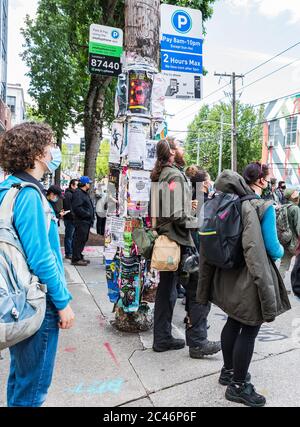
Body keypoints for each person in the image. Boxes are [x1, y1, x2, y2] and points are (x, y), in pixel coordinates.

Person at [197, 162, 291, 407]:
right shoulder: (262, 206)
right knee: (249, 329)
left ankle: (228, 372)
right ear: (260, 181)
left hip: (228, 275)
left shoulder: (229, 202)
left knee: (233, 321)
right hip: (250, 278)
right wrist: (283, 249)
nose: (269, 184)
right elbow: (271, 247)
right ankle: (238, 386)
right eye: (268, 180)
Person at [0, 122, 74, 407]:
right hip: (35, 300)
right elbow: (42, 257)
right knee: (33, 390)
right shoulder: (29, 195)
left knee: (20, 378)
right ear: (37, 153)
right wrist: (63, 302)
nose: (53, 150)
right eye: (50, 144)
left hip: (16, 298)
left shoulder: (9, 189)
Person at [150, 138, 221, 358]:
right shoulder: (173, 175)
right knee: (199, 287)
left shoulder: (163, 173)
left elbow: (164, 208)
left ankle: (162, 338)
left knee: (167, 290)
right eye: (180, 147)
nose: (183, 150)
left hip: (168, 240)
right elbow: (177, 215)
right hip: (177, 240)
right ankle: (198, 342)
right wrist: (197, 220)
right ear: (171, 152)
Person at [71, 176, 94, 266]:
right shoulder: (78, 193)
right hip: (81, 221)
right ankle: (76, 259)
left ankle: (79, 256)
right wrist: (87, 214)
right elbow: (77, 208)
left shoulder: (83, 193)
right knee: (79, 239)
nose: (89, 185)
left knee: (83, 239)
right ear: (85, 184)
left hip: (85, 221)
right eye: (88, 183)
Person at [278, 189, 300, 285]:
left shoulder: (284, 207)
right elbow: (298, 227)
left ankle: (278, 286)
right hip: (296, 242)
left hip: (286, 240)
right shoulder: (295, 209)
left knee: (283, 264)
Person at [63, 179, 78, 260]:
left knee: (71, 236)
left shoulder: (73, 194)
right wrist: (73, 217)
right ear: (72, 185)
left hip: (72, 218)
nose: (77, 187)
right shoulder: (69, 194)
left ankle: (70, 252)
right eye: (76, 185)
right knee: (69, 236)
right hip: (70, 219)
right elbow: (69, 207)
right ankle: (68, 253)